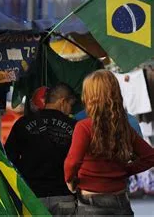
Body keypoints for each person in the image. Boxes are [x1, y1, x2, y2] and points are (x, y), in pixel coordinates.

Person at [64, 70, 154, 216]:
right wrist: (126, 170)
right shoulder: (124, 127)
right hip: (120, 199)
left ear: (89, 96)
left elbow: (72, 162)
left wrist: (69, 179)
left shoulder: (84, 126)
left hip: (90, 202)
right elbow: (150, 157)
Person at [5, 83, 77, 215]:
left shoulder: (23, 123)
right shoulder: (75, 126)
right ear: (63, 101)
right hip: (63, 196)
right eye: (70, 105)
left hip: (31, 195)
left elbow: (8, 159)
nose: (70, 110)